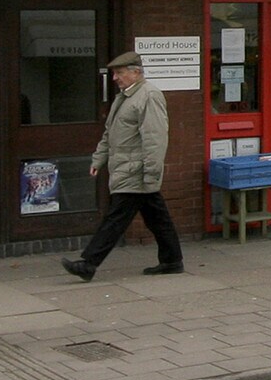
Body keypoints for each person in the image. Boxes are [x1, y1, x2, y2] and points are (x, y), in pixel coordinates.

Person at [63, 51, 184, 280]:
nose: (115, 78)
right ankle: (172, 260)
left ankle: (88, 264)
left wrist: (150, 173)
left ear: (136, 72)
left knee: (116, 218)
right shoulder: (125, 97)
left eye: (119, 73)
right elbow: (110, 133)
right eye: (114, 73)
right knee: (157, 218)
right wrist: (99, 159)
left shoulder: (149, 96)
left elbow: (155, 139)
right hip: (129, 168)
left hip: (135, 170)